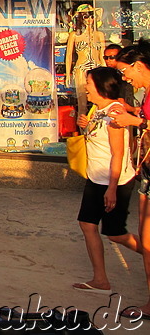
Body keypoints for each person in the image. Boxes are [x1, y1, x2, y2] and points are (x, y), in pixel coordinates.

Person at [72, 67, 140, 294]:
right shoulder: (97, 109)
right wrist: (85, 125)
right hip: (97, 177)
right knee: (87, 224)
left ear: (100, 86)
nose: (86, 88)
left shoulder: (115, 112)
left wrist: (111, 189)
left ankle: (148, 252)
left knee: (115, 233)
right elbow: (95, 138)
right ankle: (100, 279)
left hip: (114, 181)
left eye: (89, 83)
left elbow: (118, 153)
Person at [109, 42, 150, 320]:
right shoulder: (146, 93)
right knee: (146, 238)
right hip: (146, 170)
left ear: (138, 65)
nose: (125, 78)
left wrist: (132, 121)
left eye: (125, 71)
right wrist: (133, 113)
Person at [66, 4, 106, 115]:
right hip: (81, 68)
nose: (89, 19)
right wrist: (67, 73)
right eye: (86, 16)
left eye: (92, 16)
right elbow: (69, 55)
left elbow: (102, 54)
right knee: (82, 105)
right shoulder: (74, 35)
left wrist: (106, 72)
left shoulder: (99, 35)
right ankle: (83, 130)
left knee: (99, 103)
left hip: (97, 68)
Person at [104, 43, 136, 112]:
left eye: (112, 57)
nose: (108, 60)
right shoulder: (107, 74)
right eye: (106, 58)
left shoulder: (125, 74)